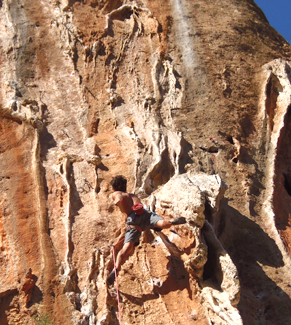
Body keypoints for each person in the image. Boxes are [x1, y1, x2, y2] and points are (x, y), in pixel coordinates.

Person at [107, 175, 186, 285]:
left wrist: (117, 201)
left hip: (134, 222)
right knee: (161, 223)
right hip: (144, 214)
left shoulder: (117, 193)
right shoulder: (132, 195)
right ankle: (171, 221)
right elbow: (139, 205)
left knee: (126, 249)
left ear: (114, 188)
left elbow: (118, 197)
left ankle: (115, 269)